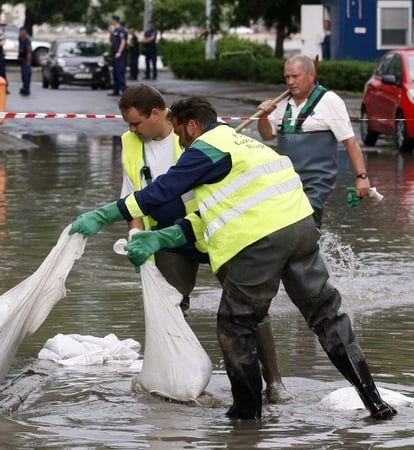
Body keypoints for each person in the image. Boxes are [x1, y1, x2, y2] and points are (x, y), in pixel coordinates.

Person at [69, 96, 397, 421]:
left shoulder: (204, 148)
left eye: (180, 134)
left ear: (192, 126)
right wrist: (163, 237)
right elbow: (214, 211)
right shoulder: (246, 144)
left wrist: (104, 214)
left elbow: (160, 191)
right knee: (327, 317)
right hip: (301, 229)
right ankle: (375, 401)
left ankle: (246, 416)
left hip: (262, 239)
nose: (179, 143)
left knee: (235, 325)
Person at [117, 84, 290, 404]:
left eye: (136, 123)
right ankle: (179, 379)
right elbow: (132, 200)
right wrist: (136, 236)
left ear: (155, 114)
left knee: (249, 305)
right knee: (171, 304)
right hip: (167, 236)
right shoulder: (130, 144)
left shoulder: (197, 131)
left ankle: (275, 383)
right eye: (129, 124)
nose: (132, 130)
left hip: (215, 228)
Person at [256, 55, 370, 227]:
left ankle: (311, 240)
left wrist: (362, 177)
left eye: (295, 76)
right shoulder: (281, 104)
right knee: (280, 222)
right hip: (286, 178)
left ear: (311, 75)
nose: (290, 82)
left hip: (317, 179)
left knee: (306, 217)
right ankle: (310, 242)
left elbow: (350, 142)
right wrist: (263, 116)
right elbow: (266, 135)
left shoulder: (330, 101)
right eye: (287, 77)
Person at [109, 15, 127, 96]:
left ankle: (123, 90)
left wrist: (119, 52)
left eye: (112, 20)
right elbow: (111, 40)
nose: (111, 21)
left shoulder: (121, 30)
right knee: (115, 72)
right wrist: (110, 33)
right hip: (114, 53)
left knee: (120, 71)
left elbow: (123, 42)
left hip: (119, 54)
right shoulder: (115, 30)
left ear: (115, 20)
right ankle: (115, 90)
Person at [18, 26, 32, 96]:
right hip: (22, 58)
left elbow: (29, 52)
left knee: (26, 74)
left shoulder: (27, 40)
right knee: (23, 75)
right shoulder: (20, 38)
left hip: (26, 59)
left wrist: (28, 63)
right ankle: (24, 87)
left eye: (21, 32)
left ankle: (26, 88)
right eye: (20, 32)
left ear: (25, 32)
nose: (20, 33)